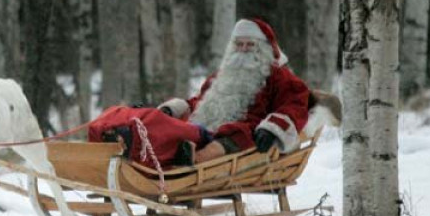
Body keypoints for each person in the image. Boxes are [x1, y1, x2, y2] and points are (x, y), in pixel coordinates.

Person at [87, 18, 310, 170]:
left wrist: (272, 129)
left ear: (263, 48)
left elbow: (295, 105)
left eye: (249, 45)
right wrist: (173, 109)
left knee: (232, 133)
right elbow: (200, 102)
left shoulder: (278, 77)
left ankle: (191, 160)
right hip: (201, 129)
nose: (242, 50)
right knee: (159, 121)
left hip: (244, 135)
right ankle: (127, 139)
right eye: (238, 45)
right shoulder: (221, 76)